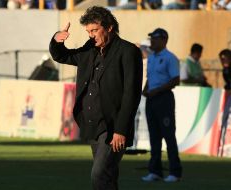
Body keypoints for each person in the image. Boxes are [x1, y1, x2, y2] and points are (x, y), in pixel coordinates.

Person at [49, 6, 143, 190]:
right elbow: (63, 56)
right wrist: (56, 40)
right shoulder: (89, 48)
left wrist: (121, 130)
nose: (91, 35)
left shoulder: (128, 51)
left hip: (113, 126)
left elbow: (131, 94)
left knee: (99, 174)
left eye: (94, 30)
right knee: (108, 177)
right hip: (92, 124)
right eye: (88, 31)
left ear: (109, 27)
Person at [141, 28, 182, 182]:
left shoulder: (170, 58)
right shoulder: (151, 58)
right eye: (151, 38)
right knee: (154, 136)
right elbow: (150, 78)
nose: (152, 41)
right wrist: (145, 90)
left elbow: (175, 80)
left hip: (164, 99)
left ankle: (175, 172)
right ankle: (155, 171)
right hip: (151, 99)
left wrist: (156, 90)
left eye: (155, 38)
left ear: (164, 40)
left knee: (168, 136)